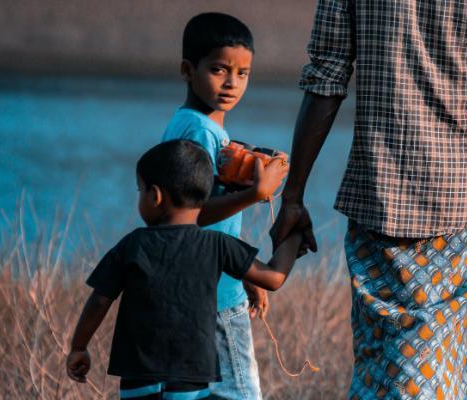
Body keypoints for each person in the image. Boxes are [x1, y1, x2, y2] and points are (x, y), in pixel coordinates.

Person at [270, 0, 467, 398]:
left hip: (380, 199)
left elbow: (326, 79)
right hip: (462, 206)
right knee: (449, 360)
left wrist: (293, 197)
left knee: (387, 362)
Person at [65, 140, 301, 400]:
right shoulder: (217, 244)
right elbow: (274, 278)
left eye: (139, 190)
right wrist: (295, 235)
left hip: (138, 377)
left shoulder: (133, 244)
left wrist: (79, 347)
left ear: (154, 196)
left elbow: (100, 300)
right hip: (192, 378)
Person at [161, 13, 288, 399]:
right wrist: (255, 193)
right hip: (215, 295)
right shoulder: (201, 132)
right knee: (239, 394)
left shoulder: (193, 125)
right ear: (188, 70)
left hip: (196, 286)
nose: (232, 83)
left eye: (243, 73)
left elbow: (207, 216)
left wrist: (246, 276)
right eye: (219, 69)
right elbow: (190, 214)